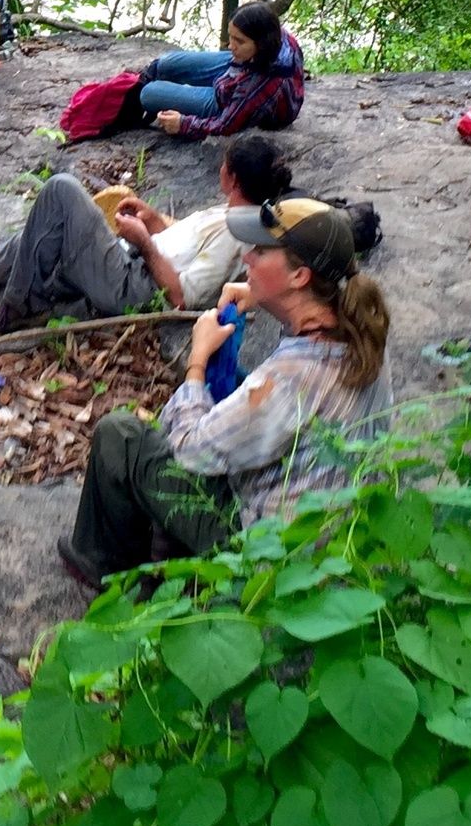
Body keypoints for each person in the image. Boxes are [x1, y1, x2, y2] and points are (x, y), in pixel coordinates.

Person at [58, 202, 394, 586]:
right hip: (333, 536)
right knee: (227, 392)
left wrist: (197, 363)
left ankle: (107, 569)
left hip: (268, 556)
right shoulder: (364, 337)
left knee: (121, 436)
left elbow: (189, 449)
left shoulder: (287, 378)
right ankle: (167, 554)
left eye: (262, 251)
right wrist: (267, 298)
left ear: (300, 275)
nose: (247, 255)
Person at [0, 134, 297, 338]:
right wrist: (151, 220)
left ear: (232, 175)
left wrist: (144, 244)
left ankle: (19, 306)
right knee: (26, 241)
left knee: (61, 189)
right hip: (128, 262)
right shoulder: (231, 210)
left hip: (135, 286)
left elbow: (181, 294)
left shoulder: (237, 233)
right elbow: (182, 243)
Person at [137, 1, 307, 139]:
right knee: (166, 63)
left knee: (149, 94)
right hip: (244, 68)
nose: (230, 46)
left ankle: (156, 94)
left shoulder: (259, 87)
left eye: (239, 41)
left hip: (230, 100)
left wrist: (183, 124)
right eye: (230, 36)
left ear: (262, 44)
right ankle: (144, 84)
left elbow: (225, 126)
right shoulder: (276, 34)